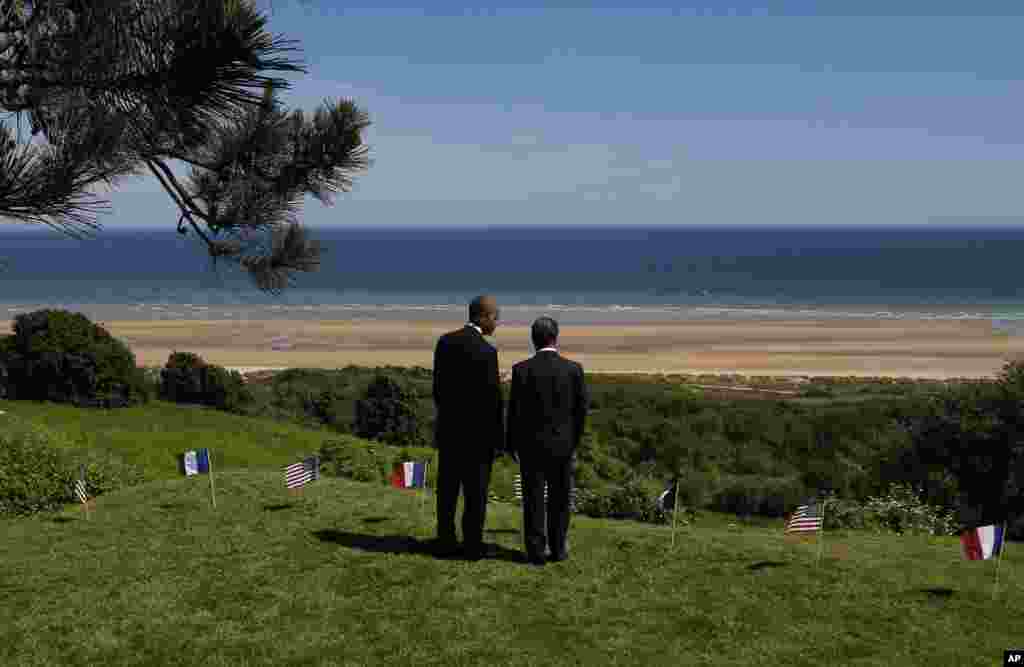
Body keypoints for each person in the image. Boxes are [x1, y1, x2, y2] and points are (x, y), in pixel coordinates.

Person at [506, 316, 588, 566]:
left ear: (533, 340)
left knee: (533, 500)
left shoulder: (521, 370)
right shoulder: (573, 369)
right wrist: (574, 441)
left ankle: (535, 550)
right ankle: (559, 547)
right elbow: (581, 411)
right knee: (560, 500)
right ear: (556, 337)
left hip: (531, 447)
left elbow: (514, 413)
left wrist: (512, 444)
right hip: (563, 445)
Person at [430, 295, 505, 560]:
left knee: (447, 491)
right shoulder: (487, 352)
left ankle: (445, 540)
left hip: (450, 431)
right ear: (483, 317)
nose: (497, 322)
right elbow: (493, 401)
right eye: (495, 317)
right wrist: (499, 439)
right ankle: (472, 544)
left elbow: (437, 389)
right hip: (478, 437)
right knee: (476, 495)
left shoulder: (445, 342)